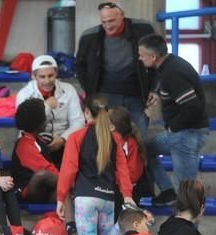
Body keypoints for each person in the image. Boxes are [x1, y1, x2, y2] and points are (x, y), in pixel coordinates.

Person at [57, 97, 135, 235]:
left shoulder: (76, 137)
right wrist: (127, 195)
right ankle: (120, 227)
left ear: (86, 112)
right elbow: (122, 170)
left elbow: (68, 170)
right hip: (108, 198)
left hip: (86, 198)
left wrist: (60, 198)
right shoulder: (115, 138)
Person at [139, 33, 210, 203]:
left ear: (153, 57)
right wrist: (157, 92)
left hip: (186, 135)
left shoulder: (172, 73)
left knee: (185, 196)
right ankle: (167, 190)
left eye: (141, 55)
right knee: (141, 148)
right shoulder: (169, 64)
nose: (139, 58)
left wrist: (173, 127)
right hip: (180, 133)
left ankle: (187, 228)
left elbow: (191, 106)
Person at [76, 1, 155, 137]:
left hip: (136, 95)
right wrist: (90, 90)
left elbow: (157, 59)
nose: (108, 26)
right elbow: (80, 66)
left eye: (111, 21)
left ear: (122, 15)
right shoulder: (89, 36)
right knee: (106, 140)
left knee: (140, 139)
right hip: (104, 96)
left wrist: (154, 88)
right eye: (104, 22)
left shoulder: (143, 29)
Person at [11, 98, 79, 235]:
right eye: (44, 117)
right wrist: (69, 182)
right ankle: (75, 187)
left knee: (63, 189)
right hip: (28, 191)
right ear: (37, 122)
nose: (46, 120)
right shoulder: (24, 144)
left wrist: (65, 184)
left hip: (46, 191)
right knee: (44, 175)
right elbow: (46, 169)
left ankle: (71, 227)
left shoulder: (40, 140)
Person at [15, 54, 84, 166]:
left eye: (50, 75)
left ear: (56, 73)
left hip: (63, 143)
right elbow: (25, 125)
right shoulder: (24, 94)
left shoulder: (69, 90)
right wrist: (45, 107)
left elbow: (78, 121)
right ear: (34, 76)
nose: (47, 81)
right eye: (42, 77)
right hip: (34, 146)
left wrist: (63, 139)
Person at [109, 105, 153, 208]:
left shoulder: (131, 143)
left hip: (128, 192)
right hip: (113, 188)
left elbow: (134, 173)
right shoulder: (108, 142)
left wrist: (113, 178)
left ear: (112, 126)